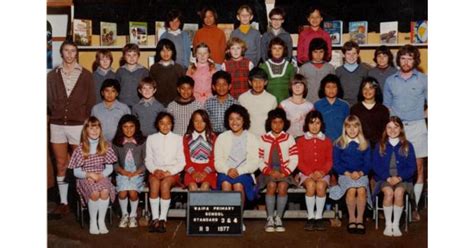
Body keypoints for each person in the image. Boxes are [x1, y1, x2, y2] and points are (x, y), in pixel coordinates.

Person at [47, 40, 95, 216]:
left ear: (77, 53)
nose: (69, 54)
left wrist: (82, 119)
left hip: (78, 125)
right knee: (61, 164)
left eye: (73, 51)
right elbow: (49, 100)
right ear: (61, 53)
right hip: (57, 124)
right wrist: (58, 112)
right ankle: (64, 201)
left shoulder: (86, 75)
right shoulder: (52, 75)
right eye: (66, 50)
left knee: (81, 163)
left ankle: (84, 199)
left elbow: (90, 101)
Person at [383, 44, 427, 221]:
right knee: (396, 166)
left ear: (415, 60)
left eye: (410, 58)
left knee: (418, 167)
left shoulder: (424, 79)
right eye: (403, 58)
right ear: (398, 60)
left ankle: (415, 206)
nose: (406, 61)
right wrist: (394, 126)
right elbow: (386, 106)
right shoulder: (390, 81)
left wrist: (421, 115)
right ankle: (397, 204)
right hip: (396, 128)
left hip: (417, 126)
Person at [68, 117, 117, 234]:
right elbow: (76, 172)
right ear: (86, 131)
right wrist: (89, 174)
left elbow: (109, 168)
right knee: (94, 193)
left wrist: (100, 175)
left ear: (100, 129)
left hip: (101, 175)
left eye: (97, 128)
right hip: (85, 177)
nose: (95, 131)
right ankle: (93, 221)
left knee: (104, 191)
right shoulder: (80, 149)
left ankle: (101, 221)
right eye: (91, 128)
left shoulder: (105, 146)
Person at [214, 104, 260, 231]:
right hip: (225, 171)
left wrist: (239, 171)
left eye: (238, 118)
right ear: (227, 121)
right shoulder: (222, 137)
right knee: (226, 184)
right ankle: (228, 218)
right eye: (231, 119)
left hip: (244, 172)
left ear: (244, 120)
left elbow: (255, 162)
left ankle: (238, 219)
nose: (235, 122)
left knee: (239, 185)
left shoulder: (251, 138)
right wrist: (227, 170)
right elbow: (217, 161)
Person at [372, 116, 416, 237]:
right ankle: (388, 224)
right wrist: (387, 178)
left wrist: (400, 178)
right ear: (385, 130)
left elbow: (412, 167)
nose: (392, 130)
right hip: (384, 178)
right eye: (389, 127)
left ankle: (395, 224)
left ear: (401, 129)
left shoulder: (407, 145)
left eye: (396, 127)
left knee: (399, 192)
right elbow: (375, 165)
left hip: (403, 179)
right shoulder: (380, 145)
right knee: (389, 192)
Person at [329, 115, 371, 235]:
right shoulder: (339, 143)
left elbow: (369, 163)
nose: (352, 130)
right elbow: (336, 164)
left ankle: (360, 219)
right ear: (345, 128)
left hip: (361, 174)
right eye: (349, 127)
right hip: (345, 175)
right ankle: (352, 218)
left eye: (355, 126)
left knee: (362, 190)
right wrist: (347, 173)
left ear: (359, 128)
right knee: (352, 189)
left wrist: (361, 172)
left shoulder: (365, 143)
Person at [259, 108, 298, 232]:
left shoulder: (289, 138)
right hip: (268, 172)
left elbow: (294, 159)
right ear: (269, 123)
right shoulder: (263, 138)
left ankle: (279, 218)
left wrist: (284, 172)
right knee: (271, 185)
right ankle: (270, 218)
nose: (277, 125)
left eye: (280, 122)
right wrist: (269, 171)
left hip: (284, 171)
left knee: (282, 187)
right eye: (274, 122)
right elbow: (259, 159)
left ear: (284, 123)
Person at [145, 112, 185, 233]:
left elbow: (181, 162)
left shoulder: (178, 139)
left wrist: (169, 172)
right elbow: (148, 160)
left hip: (172, 172)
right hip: (155, 171)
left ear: (172, 124)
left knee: (165, 184)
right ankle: (155, 218)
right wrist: (154, 170)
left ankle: (163, 219)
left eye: (168, 123)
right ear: (157, 124)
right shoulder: (151, 138)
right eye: (162, 123)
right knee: (154, 183)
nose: (165, 126)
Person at [296, 110, 332, 231]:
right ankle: (310, 217)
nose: (315, 126)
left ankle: (318, 217)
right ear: (307, 124)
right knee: (311, 186)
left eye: (317, 123)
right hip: (306, 173)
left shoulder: (326, 140)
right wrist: (309, 173)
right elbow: (299, 161)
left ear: (321, 124)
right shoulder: (301, 141)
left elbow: (329, 161)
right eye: (311, 123)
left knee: (321, 186)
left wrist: (322, 172)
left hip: (323, 173)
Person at [112, 115, 147, 229]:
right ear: (120, 128)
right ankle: (124, 215)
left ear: (136, 127)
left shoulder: (142, 142)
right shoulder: (117, 143)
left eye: (132, 126)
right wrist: (122, 171)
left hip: (138, 173)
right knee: (122, 193)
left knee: (132, 192)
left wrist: (137, 172)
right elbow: (114, 162)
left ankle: (133, 215)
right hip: (123, 173)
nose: (128, 129)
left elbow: (146, 161)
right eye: (125, 127)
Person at [183, 110, 218, 191]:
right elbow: (186, 158)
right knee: (192, 186)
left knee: (205, 186)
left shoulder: (212, 137)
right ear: (192, 122)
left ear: (207, 122)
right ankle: (195, 204)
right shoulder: (187, 137)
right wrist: (193, 172)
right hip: (191, 170)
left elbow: (214, 158)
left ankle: (202, 204)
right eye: (196, 121)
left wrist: (205, 172)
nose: (199, 124)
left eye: (202, 121)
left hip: (208, 170)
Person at [350, 77, 389, 148]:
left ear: (376, 90)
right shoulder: (355, 109)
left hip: (379, 147)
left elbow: (385, 132)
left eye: (371, 88)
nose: (367, 91)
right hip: (360, 146)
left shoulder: (383, 110)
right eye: (365, 88)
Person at [238, 67, 277, 136]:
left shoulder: (272, 99)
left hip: (266, 138)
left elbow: (274, 122)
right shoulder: (242, 98)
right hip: (248, 137)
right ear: (250, 82)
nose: (258, 84)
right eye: (255, 81)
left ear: (265, 82)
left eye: (261, 81)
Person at [150, 38, 186, 107]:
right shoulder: (154, 68)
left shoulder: (178, 68)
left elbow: (183, 86)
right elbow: (151, 86)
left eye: (168, 50)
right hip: (158, 103)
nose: (166, 53)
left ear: (173, 52)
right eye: (163, 50)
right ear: (158, 52)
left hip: (176, 103)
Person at [314, 74, 349, 142]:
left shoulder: (344, 106)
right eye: (328, 87)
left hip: (341, 142)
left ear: (338, 88)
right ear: (323, 88)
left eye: (334, 87)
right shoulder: (317, 105)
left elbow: (348, 126)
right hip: (322, 142)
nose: (331, 90)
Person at [260, 37, 296, 103]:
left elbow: (293, 87)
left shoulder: (290, 67)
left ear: (284, 50)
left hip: (286, 103)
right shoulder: (264, 67)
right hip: (268, 102)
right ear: (270, 50)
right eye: (274, 48)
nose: (277, 51)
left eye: (280, 48)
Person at [299, 38, 335, 103]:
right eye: (315, 52)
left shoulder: (330, 68)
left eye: (321, 51)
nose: (318, 55)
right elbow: (300, 87)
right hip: (308, 102)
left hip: (325, 103)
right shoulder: (304, 68)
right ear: (310, 52)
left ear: (325, 52)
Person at [335, 41, 369, 106]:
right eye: (348, 54)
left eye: (354, 53)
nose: (351, 56)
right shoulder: (338, 71)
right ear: (343, 55)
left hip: (359, 105)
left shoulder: (364, 71)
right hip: (342, 104)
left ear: (358, 55)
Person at [116, 43, 149, 108]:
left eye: (134, 55)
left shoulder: (144, 71)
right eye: (128, 55)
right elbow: (116, 88)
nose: (132, 57)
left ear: (138, 56)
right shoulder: (120, 71)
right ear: (124, 57)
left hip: (139, 104)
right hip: (123, 103)